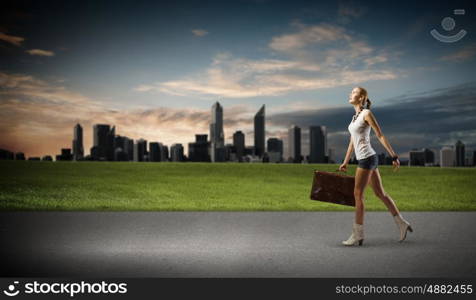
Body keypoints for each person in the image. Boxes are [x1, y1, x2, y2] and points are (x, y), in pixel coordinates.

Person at [338, 87, 413, 246]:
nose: (350, 94)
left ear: (362, 97)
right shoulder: (354, 118)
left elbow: (380, 134)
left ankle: (357, 234)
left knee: (358, 195)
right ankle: (402, 223)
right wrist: (345, 161)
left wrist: (394, 156)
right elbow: (352, 142)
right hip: (367, 159)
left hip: (367, 158)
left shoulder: (366, 114)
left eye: (354, 92)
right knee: (380, 194)